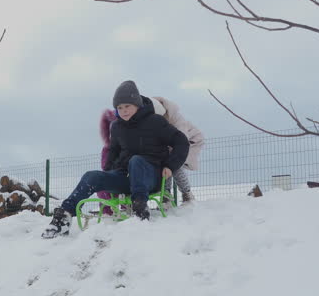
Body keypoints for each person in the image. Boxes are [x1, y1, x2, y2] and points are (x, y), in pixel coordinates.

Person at [42, 80, 190, 239]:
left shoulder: (155, 122)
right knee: (92, 176)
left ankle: (140, 208)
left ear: (137, 104)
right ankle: (64, 216)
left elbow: (181, 141)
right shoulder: (117, 127)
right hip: (126, 177)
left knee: (136, 161)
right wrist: (109, 172)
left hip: (151, 177)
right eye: (120, 108)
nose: (124, 111)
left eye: (127, 106)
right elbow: (113, 151)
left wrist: (170, 165)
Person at [98, 95, 204, 205]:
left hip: (191, 141)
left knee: (174, 166)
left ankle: (187, 193)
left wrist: (170, 160)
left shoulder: (175, 118)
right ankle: (166, 194)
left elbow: (182, 140)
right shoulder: (151, 119)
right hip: (169, 144)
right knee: (163, 164)